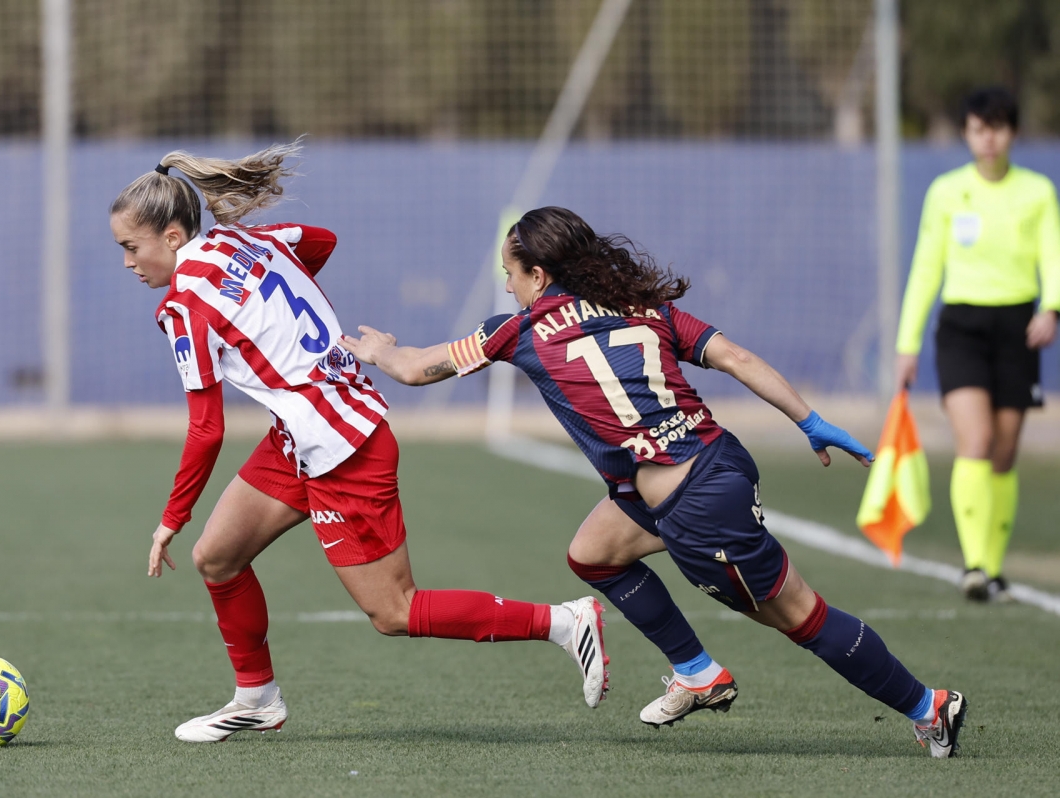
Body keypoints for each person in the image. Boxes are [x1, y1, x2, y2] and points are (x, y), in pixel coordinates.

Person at [342, 206, 968, 758]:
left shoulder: (522, 329)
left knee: (800, 616)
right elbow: (739, 359)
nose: (507, 286)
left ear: (537, 276)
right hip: (715, 461)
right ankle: (695, 670)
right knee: (593, 553)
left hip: (696, 507)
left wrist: (379, 350)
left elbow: (418, 369)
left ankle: (927, 706)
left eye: (510, 273)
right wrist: (812, 421)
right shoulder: (645, 307)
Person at [108, 145, 610, 743]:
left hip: (342, 450)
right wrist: (282, 315)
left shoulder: (184, 304)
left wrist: (171, 518)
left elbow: (205, 428)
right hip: (306, 431)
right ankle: (257, 699)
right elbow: (320, 240)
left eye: (131, 248)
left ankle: (563, 622)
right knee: (217, 558)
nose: (127, 262)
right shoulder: (246, 241)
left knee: (393, 612)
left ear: (170, 236)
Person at [896, 87, 1059, 603]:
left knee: (1005, 452)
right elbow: (926, 268)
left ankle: (992, 565)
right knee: (976, 441)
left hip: (1018, 328)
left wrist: (1052, 307)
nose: (988, 138)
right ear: (967, 133)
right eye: (978, 128)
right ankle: (972, 567)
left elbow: (1053, 254)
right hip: (962, 327)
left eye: (998, 127)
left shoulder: (1036, 191)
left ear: (1012, 133)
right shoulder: (946, 191)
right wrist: (908, 341)